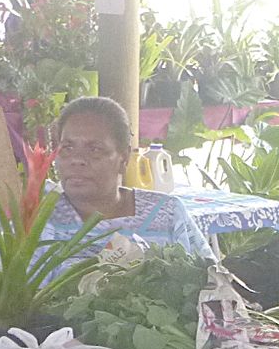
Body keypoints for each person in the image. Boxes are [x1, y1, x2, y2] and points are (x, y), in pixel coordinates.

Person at [46, 95, 212, 258]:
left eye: (94, 149)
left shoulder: (166, 213)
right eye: (67, 147)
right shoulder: (40, 221)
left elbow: (213, 278)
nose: (77, 159)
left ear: (123, 157)